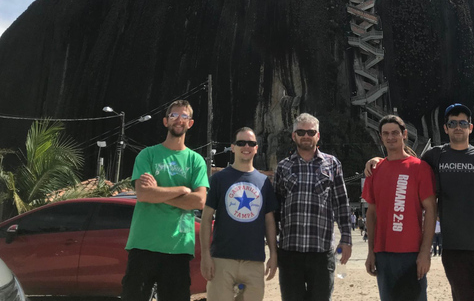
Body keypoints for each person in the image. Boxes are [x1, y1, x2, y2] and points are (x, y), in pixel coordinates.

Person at [365, 103, 474, 301]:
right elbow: (405, 163)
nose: (458, 126)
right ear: (445, 128)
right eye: (452, 123)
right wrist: (377, 160)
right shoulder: (435, 156)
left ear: (470, 127)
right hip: (455, 251)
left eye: (462, 122)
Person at [121, 100, 210, 301]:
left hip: (178, 247)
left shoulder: (195, 160)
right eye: (174, 115)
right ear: (165, 121)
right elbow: (143, 194)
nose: (179, 120)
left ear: (191, 123)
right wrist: (181, 190)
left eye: (184, 116)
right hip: (143, 244)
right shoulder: (148, 155)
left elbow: (199, 201)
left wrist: (158, 194)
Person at [273, 113, 353, 301]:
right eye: (301, 132)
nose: (306, 135)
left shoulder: (332, 164)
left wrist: (347, 239)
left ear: (318, 136)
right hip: (290, 250)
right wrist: (271, 243)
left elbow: (341, 203)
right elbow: (275, 208)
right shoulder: (283, 167)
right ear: (294, 136)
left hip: (322, 250)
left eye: (311, 132)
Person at [362, 115, 437, 301]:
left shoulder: (420, 168)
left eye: (395, 132)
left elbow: (431, 210)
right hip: (383, 253)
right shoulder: (374, 170)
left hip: (412, 254)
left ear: (404, 134)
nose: (390, 137)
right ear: (380, 137)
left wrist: (425, 252)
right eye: (386, 133)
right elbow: (371, 214)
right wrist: (371, 251)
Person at [200, 127, 278, 301]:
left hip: (254, 261)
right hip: (222, 260)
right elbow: (206, 219)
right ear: (233, 147)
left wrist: (274, 254)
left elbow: (269, 220)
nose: (246, 146)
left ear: (256, 148)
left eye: (251, 143)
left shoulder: (264, 182)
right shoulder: (218, 179)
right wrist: (205, 255)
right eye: (241, 142)